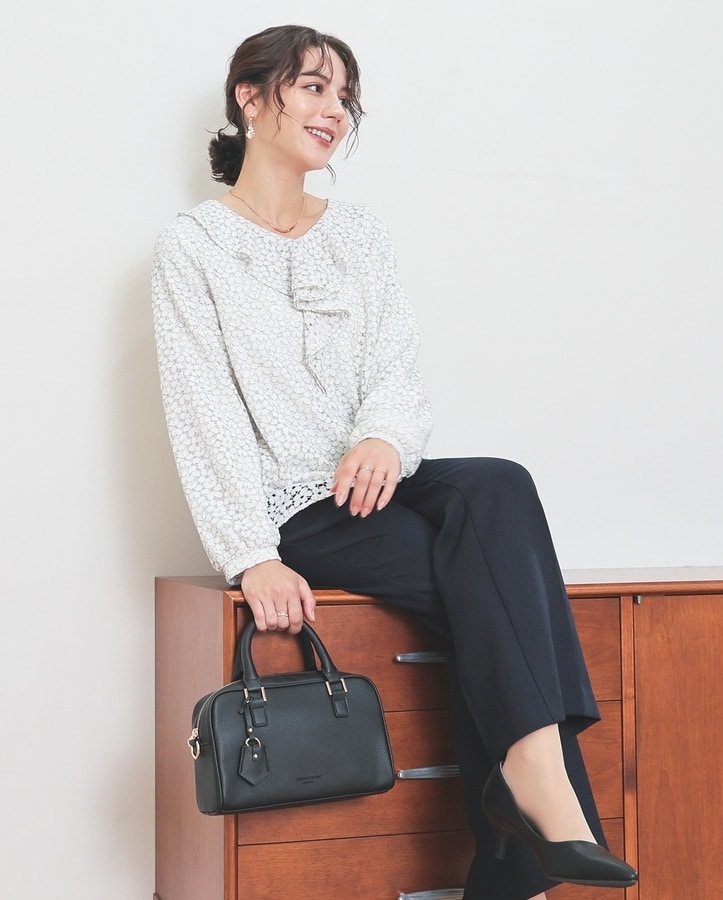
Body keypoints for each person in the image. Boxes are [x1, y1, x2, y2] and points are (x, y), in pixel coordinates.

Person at [151, 24, 638, 900]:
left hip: (378, 480)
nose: (334, 110)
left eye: (344, 96)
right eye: (312, 87)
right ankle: (535, 814)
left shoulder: (360, 236)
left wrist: (382, 435)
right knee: (494, 587)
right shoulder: (195, 248)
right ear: (250, 99)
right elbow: (204, 413)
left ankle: (522, 792)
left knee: (500, 483)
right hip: (292, 510)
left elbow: (395, 371)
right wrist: (251, 554)